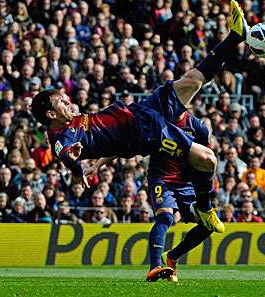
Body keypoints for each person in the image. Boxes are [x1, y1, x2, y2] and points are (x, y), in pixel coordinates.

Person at [33, 0, 248, 282]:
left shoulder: (73, 124)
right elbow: (67, 156)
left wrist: (96, 163)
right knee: (208, 159)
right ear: (51, 114)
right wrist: (77, 169)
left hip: (140, 112)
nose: (68, 100)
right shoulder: (62, 136)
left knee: (193, 80)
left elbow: (112, 143)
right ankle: (204, 210)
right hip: (147, 132)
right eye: (61, 102)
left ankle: (236, 35)